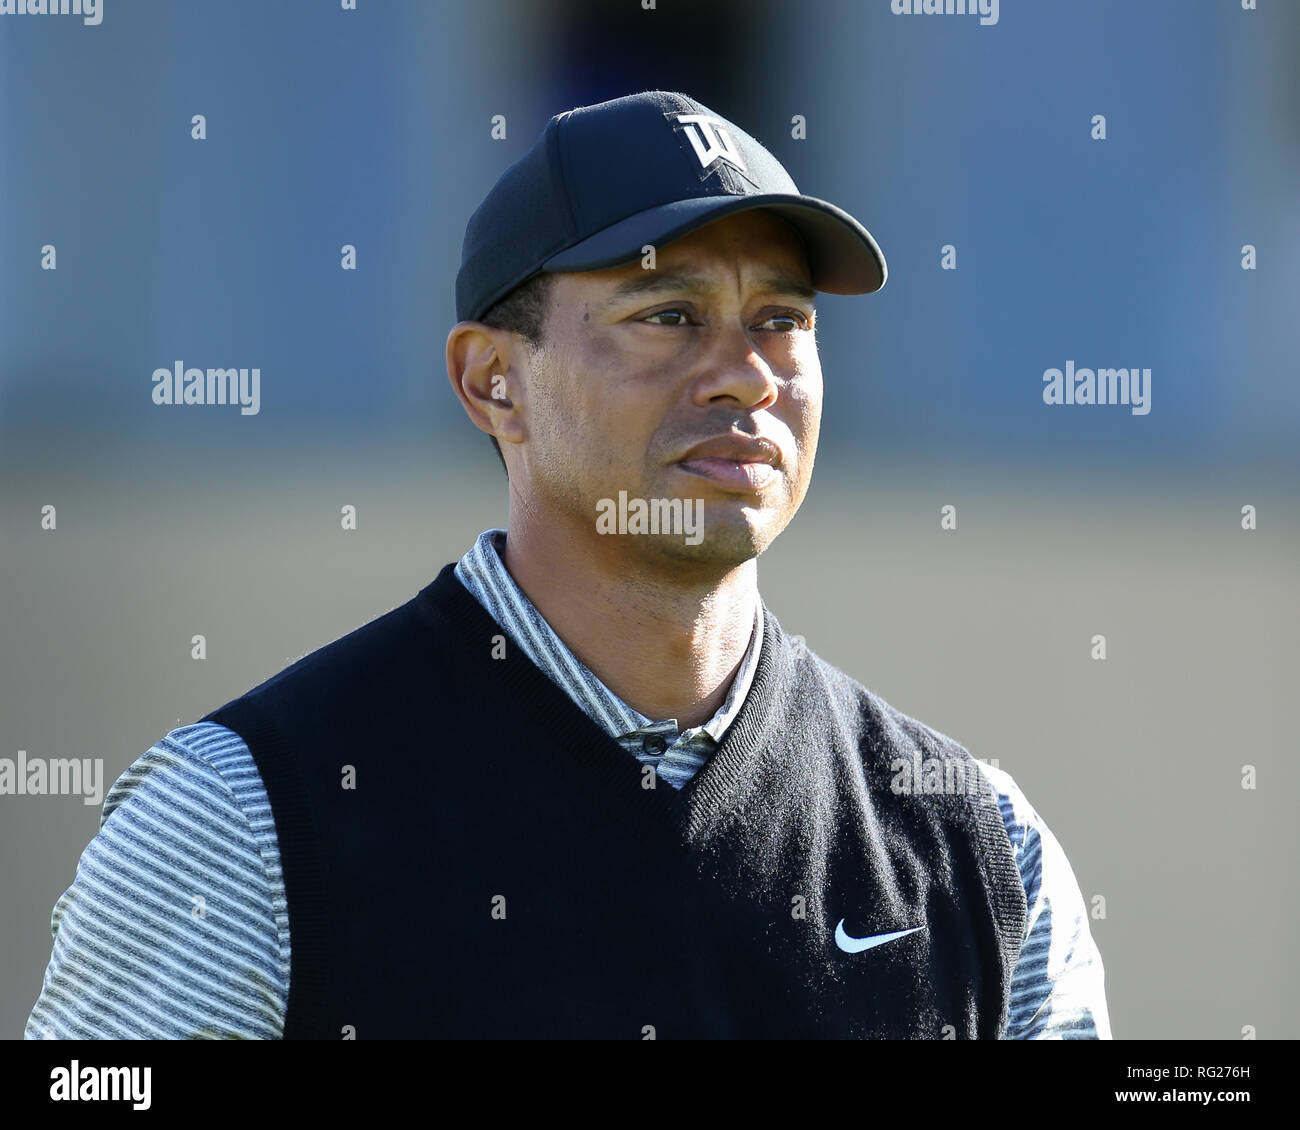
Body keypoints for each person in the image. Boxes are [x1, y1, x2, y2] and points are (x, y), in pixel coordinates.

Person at [25, 90, 1110, 1039]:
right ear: (493, 380)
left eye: (780, 319)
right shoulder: (243, 818)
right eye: (670, 314)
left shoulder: (977, 845)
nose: (745, 376)